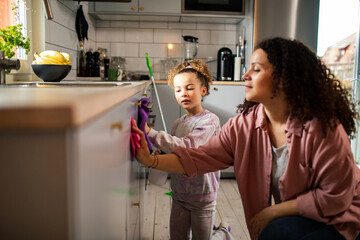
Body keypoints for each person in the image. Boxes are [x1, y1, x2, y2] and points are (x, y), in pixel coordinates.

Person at [132, 37, 360, 240]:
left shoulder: (322, 127)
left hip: (343, 219)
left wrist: (273, 211)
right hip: (302, 218)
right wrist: (150, 160)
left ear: (284, 79)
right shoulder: (244, 125)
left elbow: (335, 198)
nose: (245, 75)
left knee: (277, 231)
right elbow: (200, 157)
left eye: (256, 69)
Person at [145, 59, 222, 240]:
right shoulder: (178, 123)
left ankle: (223, 234)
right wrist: (163, 154)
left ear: (203, 91)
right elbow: (176, 152)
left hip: (202, 198)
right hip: (179, 194)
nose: (183, 93)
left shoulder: (210, 121)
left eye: (189, 88)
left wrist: (151, 133)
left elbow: (187, 147)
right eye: (178, 90)